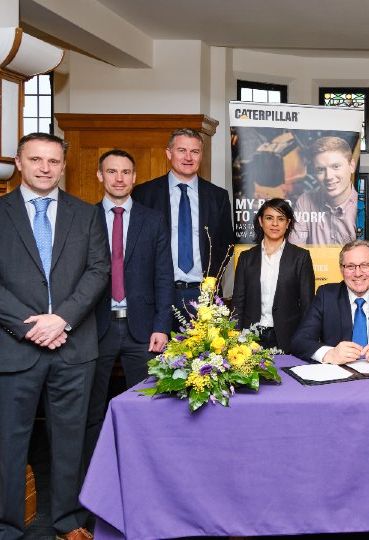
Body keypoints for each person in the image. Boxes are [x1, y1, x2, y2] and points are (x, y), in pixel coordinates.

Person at [0, 133, 110, 540]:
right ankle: (5, 529)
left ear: (63, 166)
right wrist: (35, 326)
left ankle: (68, 522)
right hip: (11, 350)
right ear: (20, 162)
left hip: (74, 347)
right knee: (10, 446)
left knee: (68, 443)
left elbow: (98, 272)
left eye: (53, 161)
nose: (45, 168)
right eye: (36, 160)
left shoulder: (86, 215)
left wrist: (61, 319)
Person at [83, 149, 173, 482]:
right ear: (100, 176)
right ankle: (96, 478)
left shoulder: (153, 220)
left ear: (134, 177)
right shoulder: (84, 218)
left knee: (147, 406)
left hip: (143, 330)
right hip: (95, 328)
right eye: (112, 171)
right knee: (91, 409)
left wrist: (162, 325)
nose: (119, 178)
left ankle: (144, 476)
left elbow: (164, 276)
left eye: (125, 172)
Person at [131, 128, 235, 319]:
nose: (188, 157)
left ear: (201, 156)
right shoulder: (144, 194)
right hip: (157, 294)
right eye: (181, 150)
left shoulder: (217, 196)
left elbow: (226, 244)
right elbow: (137, 247)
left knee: (205, 349)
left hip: (203, 295)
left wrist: (211, 281)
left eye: (194, 152)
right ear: (169, 153)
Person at [233, 198, 315, 352]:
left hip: (288, 336)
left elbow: (307, 304)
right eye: (269, 218)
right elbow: (238, 302)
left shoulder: (301, 257)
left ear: (288, 223)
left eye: (281, 219)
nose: (275, 224)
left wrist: (306, 338)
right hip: (250, 337)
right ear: (260, 221)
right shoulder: (246, 258)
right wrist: (235, 336)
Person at [289, 136, 358, 245]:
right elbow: (295, 252)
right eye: (321, 169)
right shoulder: (305, 201)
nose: (329, 176)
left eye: (336, 166)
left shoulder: (364, 207)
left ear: (352, 166)